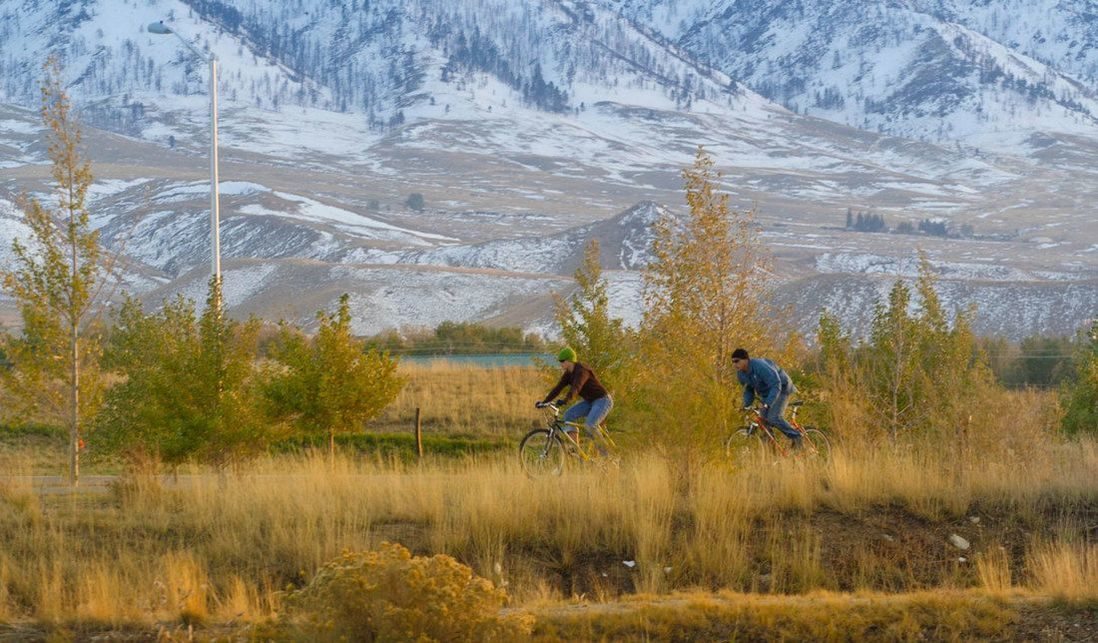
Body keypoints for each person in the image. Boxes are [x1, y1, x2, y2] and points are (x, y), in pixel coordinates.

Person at [537, 347, 613, 457]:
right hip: (589, 402)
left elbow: (576, 388)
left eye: (562, 361)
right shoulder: (568, 374)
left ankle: (607, 456)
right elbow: (558, 388)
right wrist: (544, 402)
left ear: (569, 361)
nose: (560, 364)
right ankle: (577, 450)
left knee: (590, 425)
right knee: (568, 415)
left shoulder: (582, 371)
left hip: (602, 400)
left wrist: (565, 400)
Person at [731, 348, 801, 449]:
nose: (734, 364)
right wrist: (746, 406)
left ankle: (797, 437)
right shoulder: (740, 374)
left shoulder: (760, 366)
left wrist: (767, 403)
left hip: (782, 388)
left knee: (773, 417)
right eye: (732, 361)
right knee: (763, 421)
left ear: (746, 359)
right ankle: (771, 451)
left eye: (737, 361)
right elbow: (748, 390)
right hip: (767, 393)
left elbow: (776, 384)